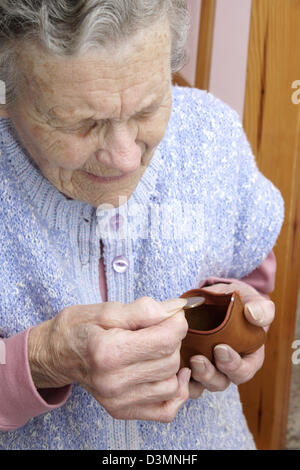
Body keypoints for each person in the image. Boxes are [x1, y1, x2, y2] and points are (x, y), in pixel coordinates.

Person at [0, 0, 284, 450]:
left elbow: (253, 275)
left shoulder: (212, 134)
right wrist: (41, 360)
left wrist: (233, 316)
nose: (126, 158)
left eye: (148, 110)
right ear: (6, 94)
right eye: (82, 123)